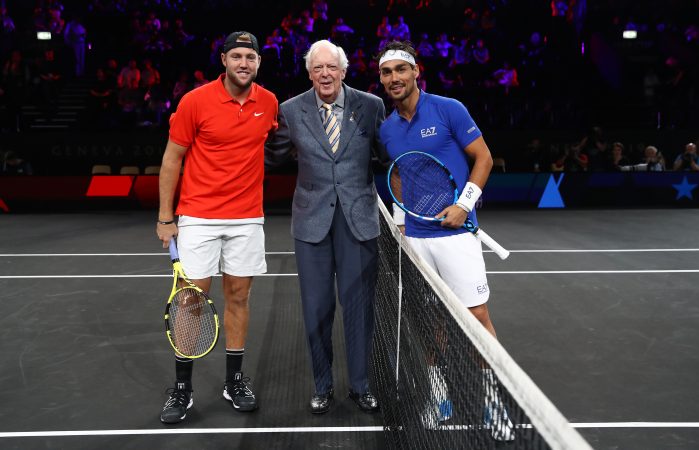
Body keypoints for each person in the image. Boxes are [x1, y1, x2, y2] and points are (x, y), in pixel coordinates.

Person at [376, 40, 514, 441]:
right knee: (430, 320)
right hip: (418, 239)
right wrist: (403, 218)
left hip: (456, 236)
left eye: (401, 70)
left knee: (476, 318)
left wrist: (463, 205)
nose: (394, 78)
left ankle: (494, 398)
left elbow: (483, 158)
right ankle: (440, 393)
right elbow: (399, 174)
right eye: (387, 73)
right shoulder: (387, 128)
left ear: (416, 71)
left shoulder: (449, 108)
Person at [156, 31, 278, 424]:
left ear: (258, 62)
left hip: (247, 218)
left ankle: (234, 381)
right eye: (237, 56)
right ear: (224, 59)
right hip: (198, 217)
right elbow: (172, 159)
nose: (245, 63)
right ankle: (182, 388)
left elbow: (270, 139)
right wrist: (165, 217)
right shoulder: (195, 101)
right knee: (191, 303)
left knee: (239, 298)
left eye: (251, 57)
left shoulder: (268, 102)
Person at [265, 39, 385, 415]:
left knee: (359, 308)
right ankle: (322, 385)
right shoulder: (291, 110)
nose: (325, 74)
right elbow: (269, 157)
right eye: (317, 69)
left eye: (331, 67)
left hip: (359, 220)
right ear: (309, 73)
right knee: (316, 309)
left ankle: (361, 385)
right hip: (311, 223)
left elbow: (387, 155)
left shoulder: (371, 106)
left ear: (344, 71)